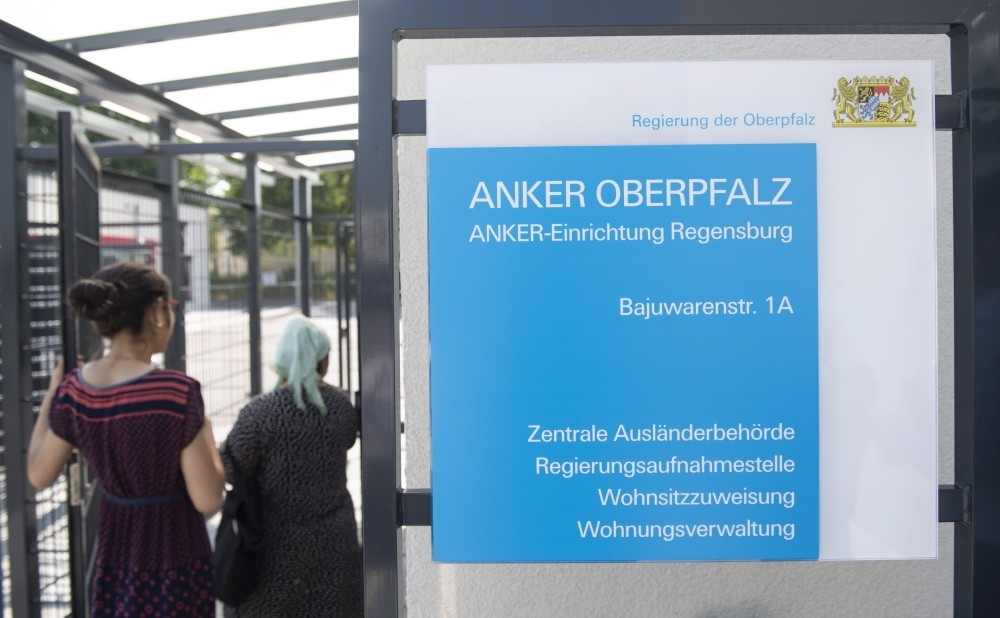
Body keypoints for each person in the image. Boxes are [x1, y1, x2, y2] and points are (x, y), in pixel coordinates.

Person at [27, 261, 224, 617]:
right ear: (157, 313)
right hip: (175, 553)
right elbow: (208, 498)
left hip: (116, 551)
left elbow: (39, 474)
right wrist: (204, 427)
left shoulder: (74, 391)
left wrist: (53, 395)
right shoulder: (175, 392)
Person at [220, 314, 362, 617]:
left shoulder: (259, 413)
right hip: (334, 542)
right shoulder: (340, 406)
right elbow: (349, 440)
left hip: (272, 545)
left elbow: (231, 468)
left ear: (281, 360)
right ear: (323, 361)